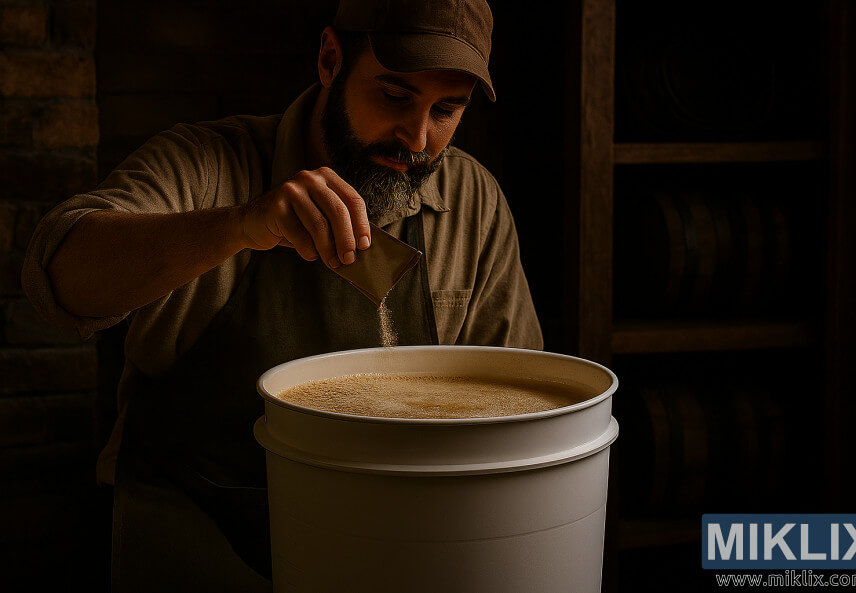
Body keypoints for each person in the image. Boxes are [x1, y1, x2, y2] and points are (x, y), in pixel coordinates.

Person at [22, 0, 542, 590]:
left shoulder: (473, 201)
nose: (417, 141)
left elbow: (518, 415)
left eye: (446, 110)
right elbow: (57, 279)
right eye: (395, 97)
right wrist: (240, 225)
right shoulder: (206, 164)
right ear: (329, 59)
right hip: (192, 541)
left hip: (386, 548)